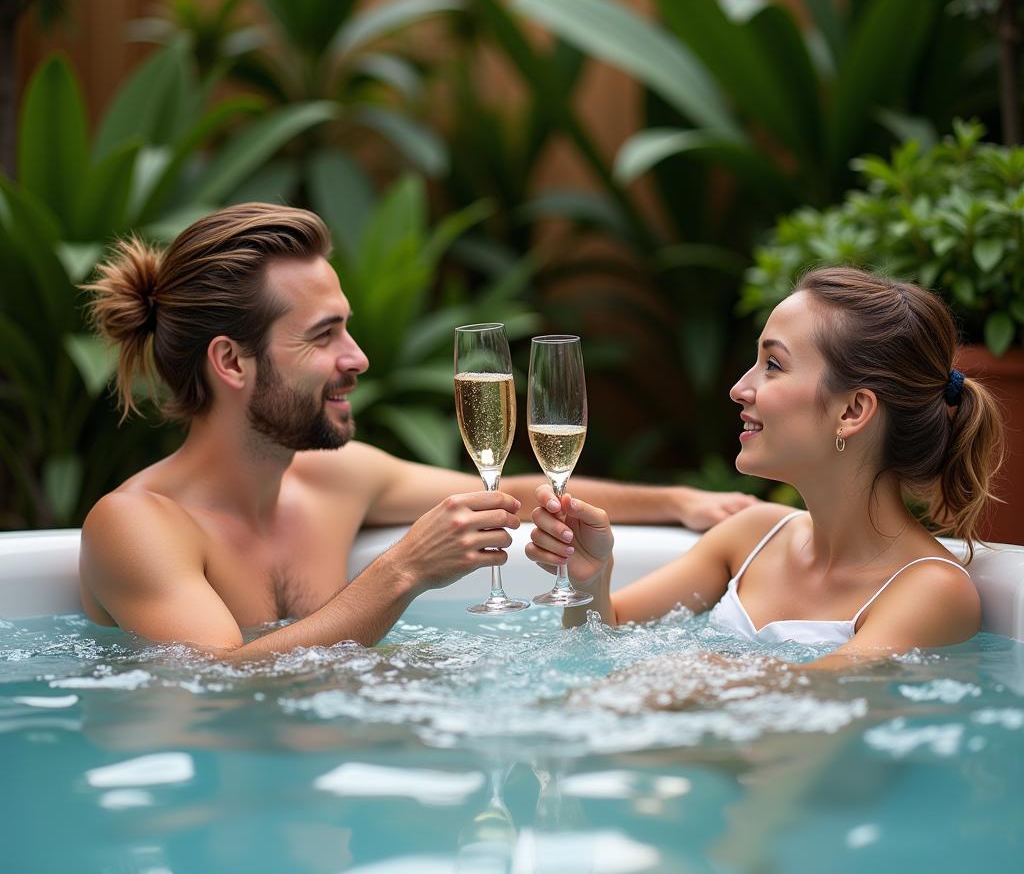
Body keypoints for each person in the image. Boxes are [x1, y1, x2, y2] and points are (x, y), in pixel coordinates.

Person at [79, 203, 755, 657]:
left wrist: (681, 504)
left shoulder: (334, 478)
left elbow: (505, 493)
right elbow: (218, 689)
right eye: (324, 336)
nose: (358, 358)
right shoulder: (139, 526)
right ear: (230, 361)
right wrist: (402, 571)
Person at [527, 267, 1003, 665]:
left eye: (772, 365)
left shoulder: (932, 591)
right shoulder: (751, 535)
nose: (739, 388)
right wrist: (592, 580)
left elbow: (801, 721)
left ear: (853, 411)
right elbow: (592, 653)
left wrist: (700, 674)